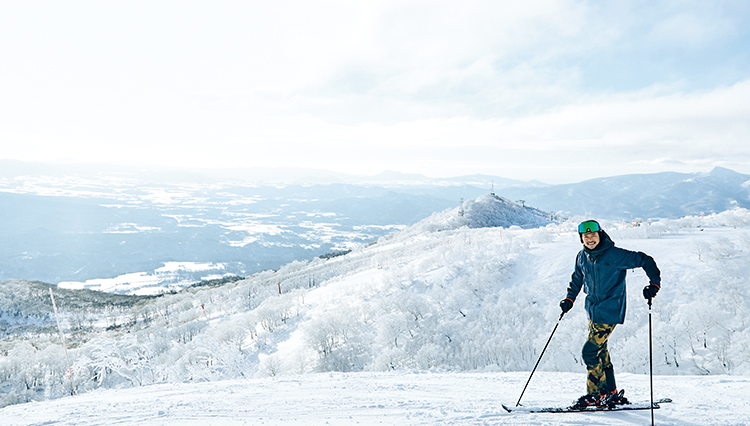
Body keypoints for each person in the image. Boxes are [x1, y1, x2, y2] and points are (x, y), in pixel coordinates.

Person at [559, 219, 661, 409]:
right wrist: (569, 299)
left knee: (589, 352)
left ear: (601, 234)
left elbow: (644, 259)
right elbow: (577, 278)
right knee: (601, 353)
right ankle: (611, 392)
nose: (590, 239)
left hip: (610, 310)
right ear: (581, 238)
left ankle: (596, 395)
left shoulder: (614, 255)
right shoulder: (582, 256)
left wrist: (654, 283)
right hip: (592, 311)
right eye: (586, 236)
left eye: (593, 235)